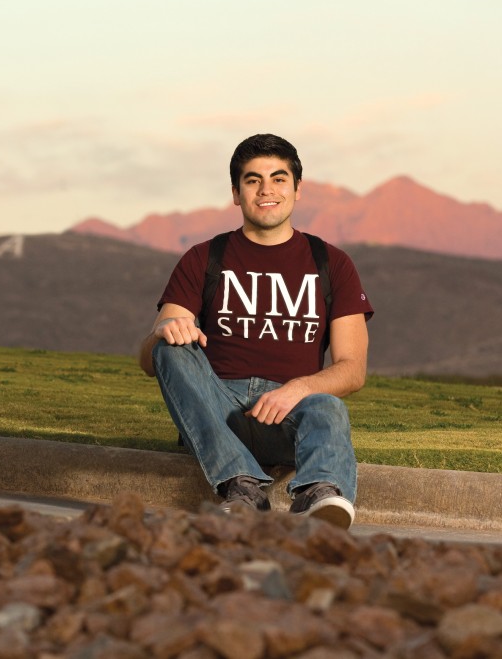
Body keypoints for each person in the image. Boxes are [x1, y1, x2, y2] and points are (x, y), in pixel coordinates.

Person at [138, 133, 374, 529]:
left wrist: (297, 389)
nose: (267, 190)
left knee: (328, 406)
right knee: (169, 348)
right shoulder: (204, 258)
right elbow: (148, 360)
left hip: (289, 412)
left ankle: (320, 498)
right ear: (236, 193)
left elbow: (353, 370)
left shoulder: (332, 263)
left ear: (298, 189)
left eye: (279, 178)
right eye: (253, 180)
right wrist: (166, 331)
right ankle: (242, 488)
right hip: (216, 409)